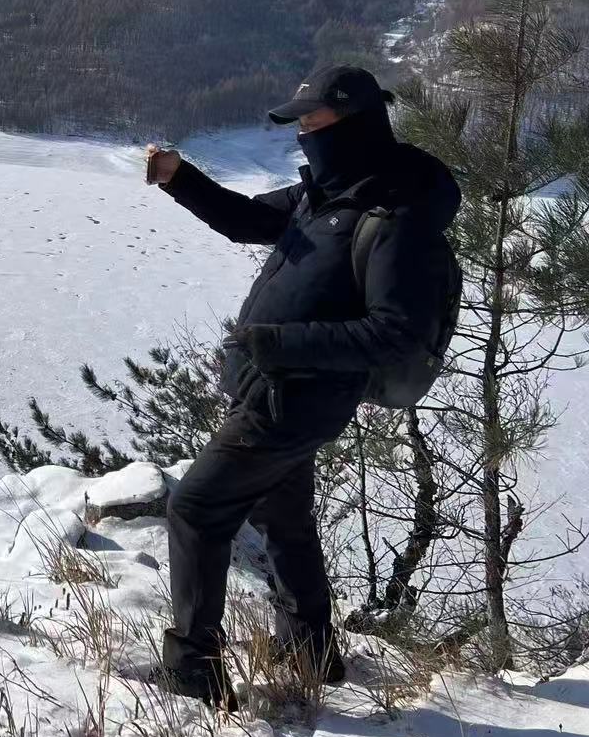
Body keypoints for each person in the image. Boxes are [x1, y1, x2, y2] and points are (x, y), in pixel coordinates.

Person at [142, 63, 460, 704]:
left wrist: (277, 344)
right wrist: (182, 180)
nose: (302, 133)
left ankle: (192, 670)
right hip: (280, 389)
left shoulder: (393, 212)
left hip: (299, 397)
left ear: (356, 121)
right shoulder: (327, 193)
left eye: (313, 120)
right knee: (284, 514)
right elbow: (246, 221)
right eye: (300, 121)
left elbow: (395, 331)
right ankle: (312, 652)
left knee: (198, 507)